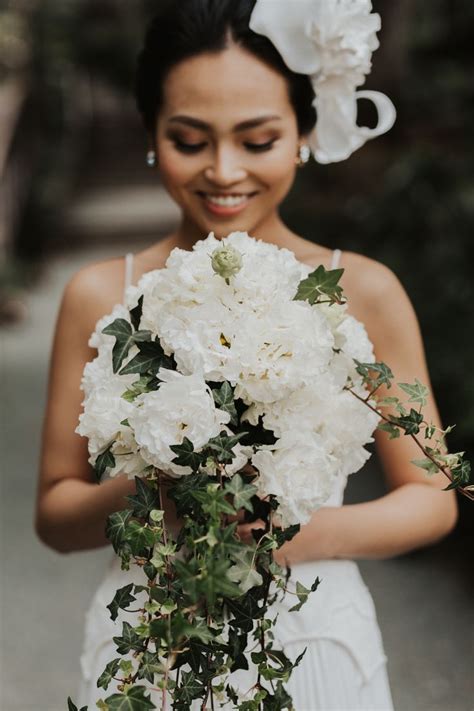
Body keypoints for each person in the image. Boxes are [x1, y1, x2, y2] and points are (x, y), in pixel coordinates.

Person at [35, 1, 458, 708]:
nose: (224, 170)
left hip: (314, 641)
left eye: (257, 139)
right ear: (150, 133)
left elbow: (433, 497)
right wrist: (158, 493)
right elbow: (55, 513)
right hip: (153, 650)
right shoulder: (101, 295)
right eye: (190, 140)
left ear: (302, 133)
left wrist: (296, 535)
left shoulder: (366, 290)